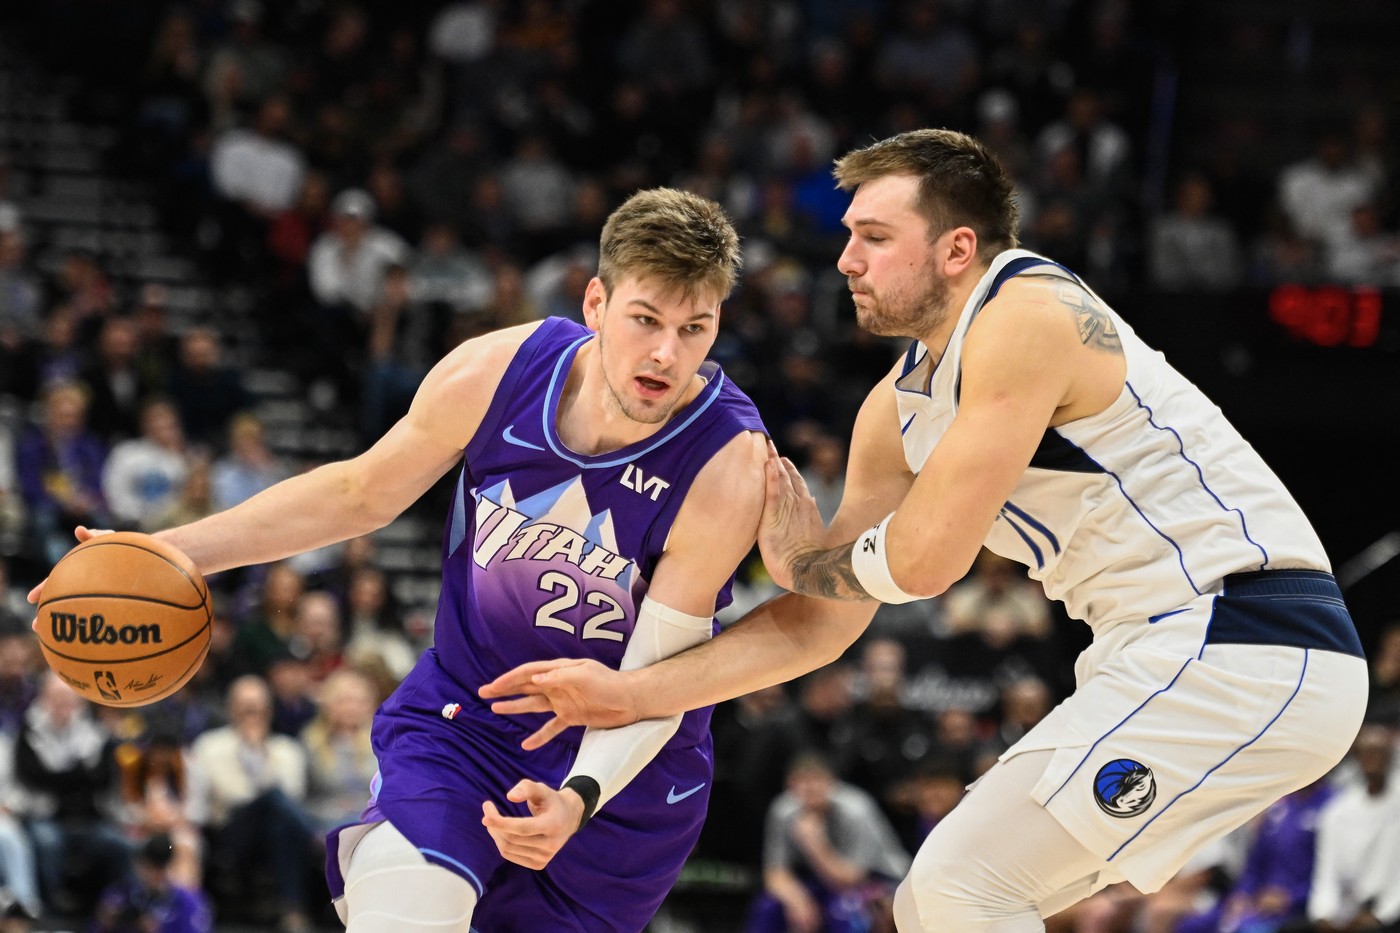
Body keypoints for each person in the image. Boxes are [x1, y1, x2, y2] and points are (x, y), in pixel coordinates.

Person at [480, 129, 1370, 931]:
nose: (845, 261)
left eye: (873, 236)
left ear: (956, 250)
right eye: (847, 235)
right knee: (937, 901)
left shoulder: (1027, 311)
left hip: (1248, 637)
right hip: (1166, 648)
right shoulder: (890, 411)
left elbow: (926, 561)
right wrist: (636, 694)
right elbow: (824, 620)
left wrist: (809, 561)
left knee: (960, 886)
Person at [31, 188, 765, 932]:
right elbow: (360, 491)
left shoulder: (728, 464)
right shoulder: (498, 371)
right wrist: (171, 550)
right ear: (597, 303)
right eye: (646, 319)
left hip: (621, 778)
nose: (667, 353)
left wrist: (578, 795)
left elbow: (651, 686)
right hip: (464, 721)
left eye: (694, 328)